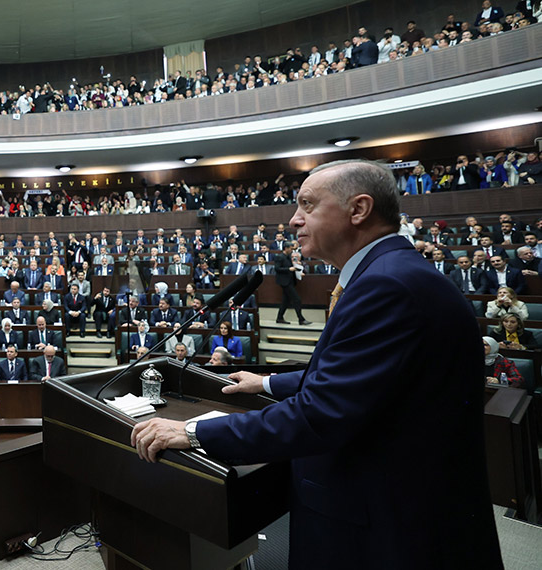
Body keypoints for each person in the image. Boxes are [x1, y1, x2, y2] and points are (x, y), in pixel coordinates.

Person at [130, 160, 501, 568]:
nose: (293, 220)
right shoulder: (393, 273)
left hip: (387, 525)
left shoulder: (385, 286)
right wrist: (268, 383)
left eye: (307, 205)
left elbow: (322, 413)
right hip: (400, 504)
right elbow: (364, 378)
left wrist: (193, 431)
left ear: (358, 210)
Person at [273, 243, 310, 325]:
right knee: (297, 299)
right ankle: (301, 319)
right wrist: (289, 269)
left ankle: (279, 318)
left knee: (285, 301)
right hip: (284, 282)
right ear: (286, 248)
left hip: (290, 281)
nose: (292, 250)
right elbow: (277, 268)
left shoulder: (288, 257)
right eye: (290, 248)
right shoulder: (280, 257)